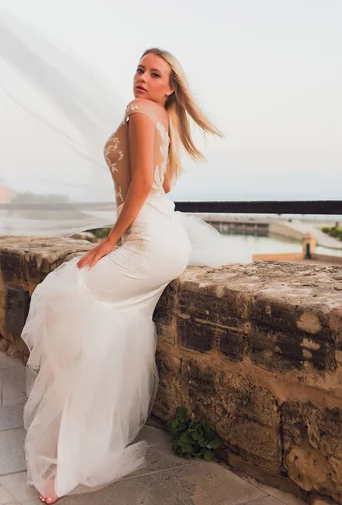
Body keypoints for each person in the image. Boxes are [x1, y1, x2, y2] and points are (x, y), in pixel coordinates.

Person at [21, 47, 227, 503]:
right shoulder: (165, 118)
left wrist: (111, 239)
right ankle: (82, 447)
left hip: (146, 244)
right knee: (101, 336)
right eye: (140, 69)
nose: (143, 79)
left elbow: (139, 185)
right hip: (167, 243)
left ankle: (70, 455)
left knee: (63, 299)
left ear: (169, 87)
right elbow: (164, 184)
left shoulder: (138, 111)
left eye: (155, 74)